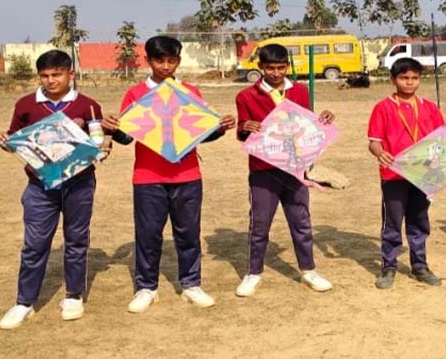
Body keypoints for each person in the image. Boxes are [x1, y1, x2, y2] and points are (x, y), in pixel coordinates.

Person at [102, 36, 236, 313]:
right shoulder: (136, 94)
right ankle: (146, 288)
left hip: (187, 175)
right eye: (159, 60)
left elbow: (201, 133)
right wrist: (113, 129)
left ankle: (191, 284)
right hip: (147, 177)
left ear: (179, 60)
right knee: (148, 234)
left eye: (171, 61)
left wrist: (220, 127)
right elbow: (128, 138)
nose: (165, 66)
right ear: (148, 60)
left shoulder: (190, 92)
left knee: (188, 233)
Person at [0, 50, 114, 328]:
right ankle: (24, 302)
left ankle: (74, 295)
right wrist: (6, 141)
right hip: (40, 185)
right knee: (34, 244)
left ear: (71, 74)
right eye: (44, 76)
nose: (50, 81)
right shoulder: (26, 104)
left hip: (79, 183)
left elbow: (99, 141)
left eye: (56, 74)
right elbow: (17, 139)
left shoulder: (88, 105)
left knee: (76, 240)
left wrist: (102, 150)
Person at [367, 58, 446, 289]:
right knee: (392, 220)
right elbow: (374, 142)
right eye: (404, 78)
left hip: (425, 174)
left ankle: (419, 264)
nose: (409, 83)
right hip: (394, 175)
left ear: (420, 79)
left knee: (419, 219)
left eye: (414, 78)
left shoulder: (429, 107)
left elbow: (445, 137)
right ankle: (388, 266)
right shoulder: (383, 107)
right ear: (392, 80)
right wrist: (380, 153)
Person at [234, 43, 335, 297]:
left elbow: (306, 123)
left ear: (287, 66)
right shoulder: (246, 96)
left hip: (295, 169)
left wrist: (322, 120)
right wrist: (246, 126)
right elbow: (241, 133)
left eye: (281, 68)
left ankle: (308, 269)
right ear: (260, 67)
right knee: (259, 224)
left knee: (301, 221)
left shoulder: (300, 91)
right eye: (270, 68)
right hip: (263, 170)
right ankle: (253, 273)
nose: (276, 73)